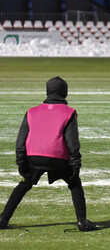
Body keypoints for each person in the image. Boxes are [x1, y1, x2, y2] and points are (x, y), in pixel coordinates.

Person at [0, 77, 98, 231]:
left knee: (25, 184)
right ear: (65, 93)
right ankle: (82, 222)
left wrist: (21, 162)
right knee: (74, 184)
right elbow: (73, 143)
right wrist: (75, 165)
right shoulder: (69, 113)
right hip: (58, 158)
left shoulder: (31, 112)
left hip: (33, 158)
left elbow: (21, 141)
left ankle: (2, 219)